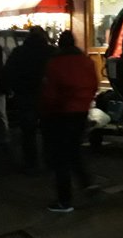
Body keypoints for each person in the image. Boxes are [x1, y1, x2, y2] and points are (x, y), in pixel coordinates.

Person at [41, 30, 98, 212]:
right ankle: (87, 183)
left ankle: (64, 201)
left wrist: (46, 112)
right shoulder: (87, 61)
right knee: (74, 149)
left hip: (61, 114)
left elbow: (50, 93)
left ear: (60, 44)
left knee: (61, 158)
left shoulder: (55, 63)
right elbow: (94, 84)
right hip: (81, 112)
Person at [3, 26, 55, 175]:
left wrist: (12, 89)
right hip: (47, 96)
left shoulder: (20, 52)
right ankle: (50, 161)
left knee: (28, 132)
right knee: (48, 131)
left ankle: (31, 163)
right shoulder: (51, 52)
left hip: (25, 95)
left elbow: (8, 72)